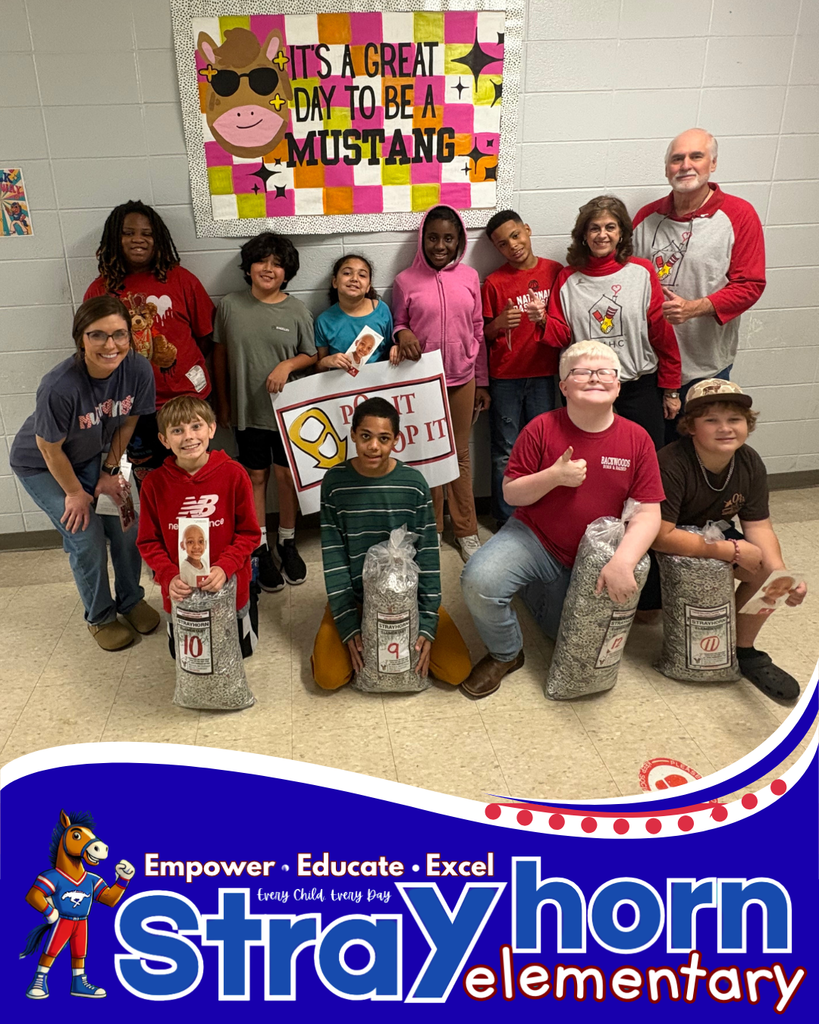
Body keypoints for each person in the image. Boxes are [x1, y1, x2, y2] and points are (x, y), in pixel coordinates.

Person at [460, 340, 664, 699]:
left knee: (560, 634)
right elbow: (511, 494)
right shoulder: (540, 428)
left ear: (618, 386)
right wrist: (553, 476)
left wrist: (622, 562)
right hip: (534, 537)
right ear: (564, 386)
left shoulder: (637, 440)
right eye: (582, 372)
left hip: (591, 559)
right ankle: (506, 654)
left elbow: (649, 512)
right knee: (479, 581)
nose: (595, 378)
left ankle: (535, 589)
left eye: (605, 373)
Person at [9, 295, 160, 651]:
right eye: (98, 335)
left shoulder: (138, 369)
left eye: (120, 334)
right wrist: (77, 494)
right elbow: (48, 448)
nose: (111, 345)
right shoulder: (59, 385)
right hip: (42, 464)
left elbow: (130, 419)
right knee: (86, 535)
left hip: (94, 457)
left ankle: (131, 600)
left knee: (125, 525)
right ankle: (100, 616)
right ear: (81, 338)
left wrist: (110, 470)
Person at [648, 379, 806, 701]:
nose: (725, 428)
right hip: (659, 546)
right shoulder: (670, 463)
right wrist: (730, 550)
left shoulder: (749, 462)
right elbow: (660, 537)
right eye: (711, 420)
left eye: (734, 419)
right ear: (690, 426)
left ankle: (741, 650)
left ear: (747, 424)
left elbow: (759, 526)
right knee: (647, 615)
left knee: (763, 571)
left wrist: (780, 576)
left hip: (711, 533)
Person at [312, 397, 471, 690]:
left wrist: (426, 622)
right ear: (353, 435)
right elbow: (333, 557)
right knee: (328, 677)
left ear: (396, 441)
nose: (374, 446)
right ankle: (338, 633)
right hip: (358, 600)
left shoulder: (413, 484)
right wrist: (348, 624)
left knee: (456, 670)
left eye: (383, 438)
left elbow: (428, 559)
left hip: (406, 602)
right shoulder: (335, 483)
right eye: (366, 437)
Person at [632, 129, 766, 436]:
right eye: (677, 159)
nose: (685, 165)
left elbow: (750, 285)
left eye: (696, 156)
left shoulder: (739, 215)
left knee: (701, 449)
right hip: (649, 366)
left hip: (705, 365)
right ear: (667, 168)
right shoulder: (646, 217)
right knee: (654, 452)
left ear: (713, 163)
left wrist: (695, 308)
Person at [213, 232, 317, 593]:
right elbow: (221, 354)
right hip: (247, 410)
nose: (268, 269)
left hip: (289, 413)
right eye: (262, 261)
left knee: (286, 478)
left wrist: (287, 365)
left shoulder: (297, 309)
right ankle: (257, 546)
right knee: (254, 478)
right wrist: (223, 403)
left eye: (277, 263)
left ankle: (287, 542)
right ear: (249, 267)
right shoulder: (229, 305)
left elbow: (312, 354)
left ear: (287, 272)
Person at [84, 200, 215, 479]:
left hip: (186, 400)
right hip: (135, 410)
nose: (138, 240)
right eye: (128, 233)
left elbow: (205, 338)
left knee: (194, 477)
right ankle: (160, 524)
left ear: (158, 239)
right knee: (152, 481)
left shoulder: (182, 280)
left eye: (147, 233)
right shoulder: (100, 290)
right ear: (114, 239)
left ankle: (198, 523)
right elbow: (92, 354)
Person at [391, 205, 490, 562]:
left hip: (463, 378)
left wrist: (482, 381)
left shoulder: (469, 277)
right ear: (422, 239)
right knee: (428, 457)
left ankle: (466, 530)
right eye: (433, 237)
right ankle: (430, 530)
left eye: (448, 238)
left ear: (459, 240)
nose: (440, 245)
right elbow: (397, 322)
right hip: (423, 382)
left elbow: (477, 330)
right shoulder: (405, 281)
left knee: (460, 455)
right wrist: (402, 334)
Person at [545, 196, 682, 450]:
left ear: (621, 234)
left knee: (647, 454)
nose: (602, 235)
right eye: (594, 228)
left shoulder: (642, 273)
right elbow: (561, 337)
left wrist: (671, 389)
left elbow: (661, 332)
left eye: (610, 227)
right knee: (588, 459)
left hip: (637, 384)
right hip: (586, 385)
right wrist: (541, 321)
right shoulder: (567, 278)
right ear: (583, 235)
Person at [137, 395, 261, 660]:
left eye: (196, 426)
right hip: (179, 594)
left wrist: (226, 566)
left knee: (238, 654)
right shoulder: (154, 484)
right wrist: (168, 575)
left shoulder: (234, 474)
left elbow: (250, 533)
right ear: (164, 440)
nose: (188, 437)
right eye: (177, 430)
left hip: (229, 587)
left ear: (212, 429)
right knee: (187, 658)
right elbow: (148, 542)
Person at [482, 210, 563, 525]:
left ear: (527, 230)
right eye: (502, 244)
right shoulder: (494, 282)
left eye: (516, 235)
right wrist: (500, 323)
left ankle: (539, 516)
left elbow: (565, 321)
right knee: (506, 450)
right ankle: (506, 520)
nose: (512, 246)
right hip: (505, 378)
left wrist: (543, 319)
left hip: (544, 373)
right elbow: (484, 334)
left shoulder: (555, 272)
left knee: (544, 446)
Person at [315, 254, 396, 371]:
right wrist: (327, 361)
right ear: (335, 282)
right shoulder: (324, 321)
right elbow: (318, 369)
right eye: (347, 273)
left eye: (362, 275)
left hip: (378, 382)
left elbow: (390, 349)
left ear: (368, 287)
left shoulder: (382, 310)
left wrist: (396, 349)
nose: (354, 278)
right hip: (340, 385)